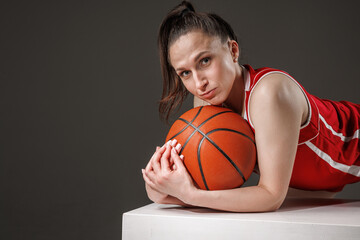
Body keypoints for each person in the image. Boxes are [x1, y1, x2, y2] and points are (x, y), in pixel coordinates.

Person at [141, 1, 360, 212]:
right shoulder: (208, 100)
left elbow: (271, 196)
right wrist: (159, 184)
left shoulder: (269, 93)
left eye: (205, 61)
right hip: (317, 180)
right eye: (185, 73)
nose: (199, 83)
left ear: (233, 51)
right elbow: (210, 190)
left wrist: (188, 195)